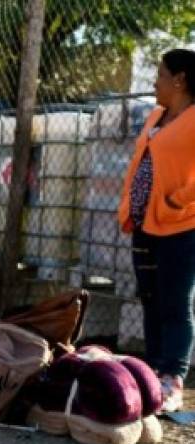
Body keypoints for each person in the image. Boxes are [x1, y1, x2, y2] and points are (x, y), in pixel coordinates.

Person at [119, 48, 195, 413]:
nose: (154, 81)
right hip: (145, 222)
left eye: (161, 74)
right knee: (149, 298)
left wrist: (180, 200)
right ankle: (151, 373)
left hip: (182, 224)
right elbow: (142, 161)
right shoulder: (156, 115)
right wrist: (129, 208)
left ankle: (172, 378)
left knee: (175, 302)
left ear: (179, 79)